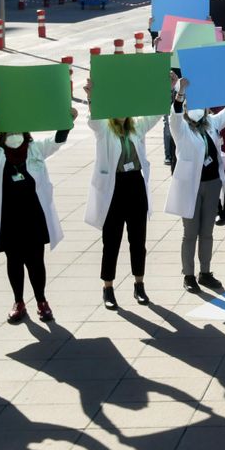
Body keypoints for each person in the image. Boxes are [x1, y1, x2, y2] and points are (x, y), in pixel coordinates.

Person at [0, 112, 73, 325]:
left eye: (18, 130)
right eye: (10, 130)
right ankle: (18, 302)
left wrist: (67, 120)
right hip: (10, 219)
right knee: (14, 261)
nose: (14, 134)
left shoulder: (34, 149)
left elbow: (55, 142)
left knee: (36, 261)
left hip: (33, 216)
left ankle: (42, 301)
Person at [83, 82, 162, 310]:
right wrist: (92, 98)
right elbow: (93, 120)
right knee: (112, 241)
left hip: (135, 185)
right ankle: (108, 287)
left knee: (138, 241)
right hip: (114, 189)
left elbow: (156, 113)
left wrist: (169, 89)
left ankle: (139, 284)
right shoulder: (104, 129)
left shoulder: (137, 126)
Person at [167, 84, 225, 291]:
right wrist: (180, 93)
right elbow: (174, 115)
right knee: (190, 233)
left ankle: (205, 272)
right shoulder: (181, 129)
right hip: (191, 188)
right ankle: (188, 276)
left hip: (212, 185)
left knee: (207, 232)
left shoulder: (211, 123)